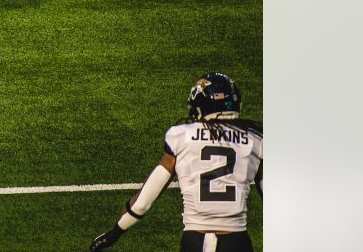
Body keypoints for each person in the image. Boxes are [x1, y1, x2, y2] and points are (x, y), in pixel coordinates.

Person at [89, 72, 263, 252]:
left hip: (194, 240)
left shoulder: (181, 136)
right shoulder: (255, 140)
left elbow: (142, 203)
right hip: (236, 242)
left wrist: (113, 234)